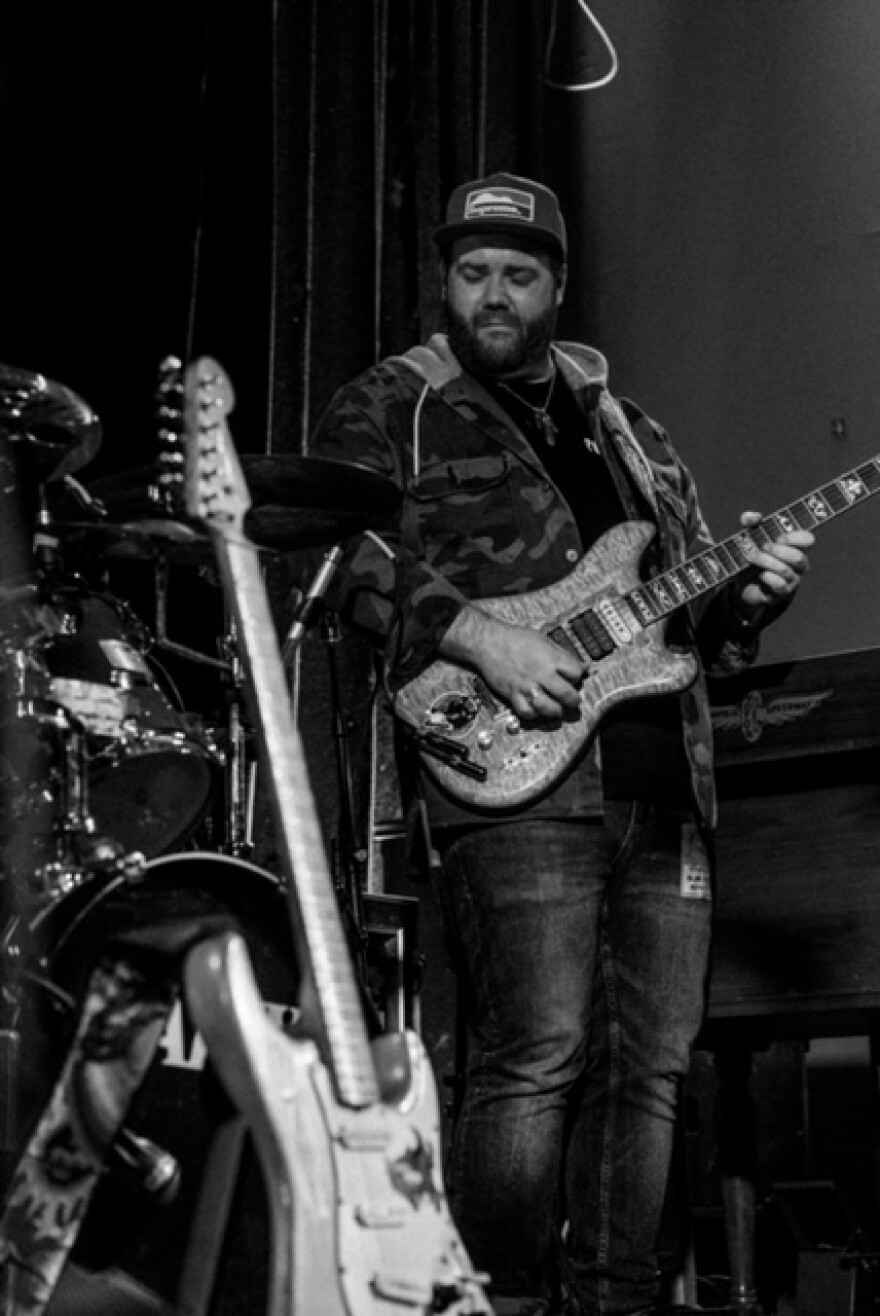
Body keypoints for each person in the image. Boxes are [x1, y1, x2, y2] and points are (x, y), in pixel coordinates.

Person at [309, 173, 814, 1316]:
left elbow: (689, 615)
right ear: (444, 279)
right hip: (513, 772)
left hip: (660, 779)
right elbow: (333, 554)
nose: (492, 293)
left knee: (649, 1075)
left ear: (558, 287)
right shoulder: (398, 400)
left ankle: (618, 1300)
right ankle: (503, 1302)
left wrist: (749, 596)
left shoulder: (627, 428)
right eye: (471, 271)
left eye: (518, 274)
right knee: (534, 1060)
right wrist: (481, 634)